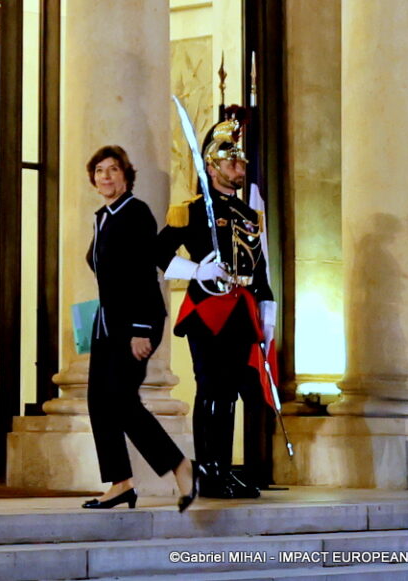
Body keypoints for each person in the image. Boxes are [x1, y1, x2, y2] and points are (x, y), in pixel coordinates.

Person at [157, 112, 276, 499]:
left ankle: (223, 467)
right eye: (232, 161)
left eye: (240, 161)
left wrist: (267, 307)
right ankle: (207, 470)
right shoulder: (190, 210)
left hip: (242, 309)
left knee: (232, 392)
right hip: (208, 309)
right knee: (212, 388)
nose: (239, 167)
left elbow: (257, 268)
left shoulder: (247, 214)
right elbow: (157, 252)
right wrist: (195, 270)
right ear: (211, 165)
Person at [81, 145, 201, 512]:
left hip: (137, 322)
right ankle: (121, 484)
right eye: (99, 170)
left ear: (126, 176)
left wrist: (140, 329)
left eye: (113, 169)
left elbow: (144, 274)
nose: (105, 176)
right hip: (106, 324)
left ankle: (182, 467)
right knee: (100, 402)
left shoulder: (135, 213)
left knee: (121, 400)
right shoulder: (104, 216)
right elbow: (102, 269)